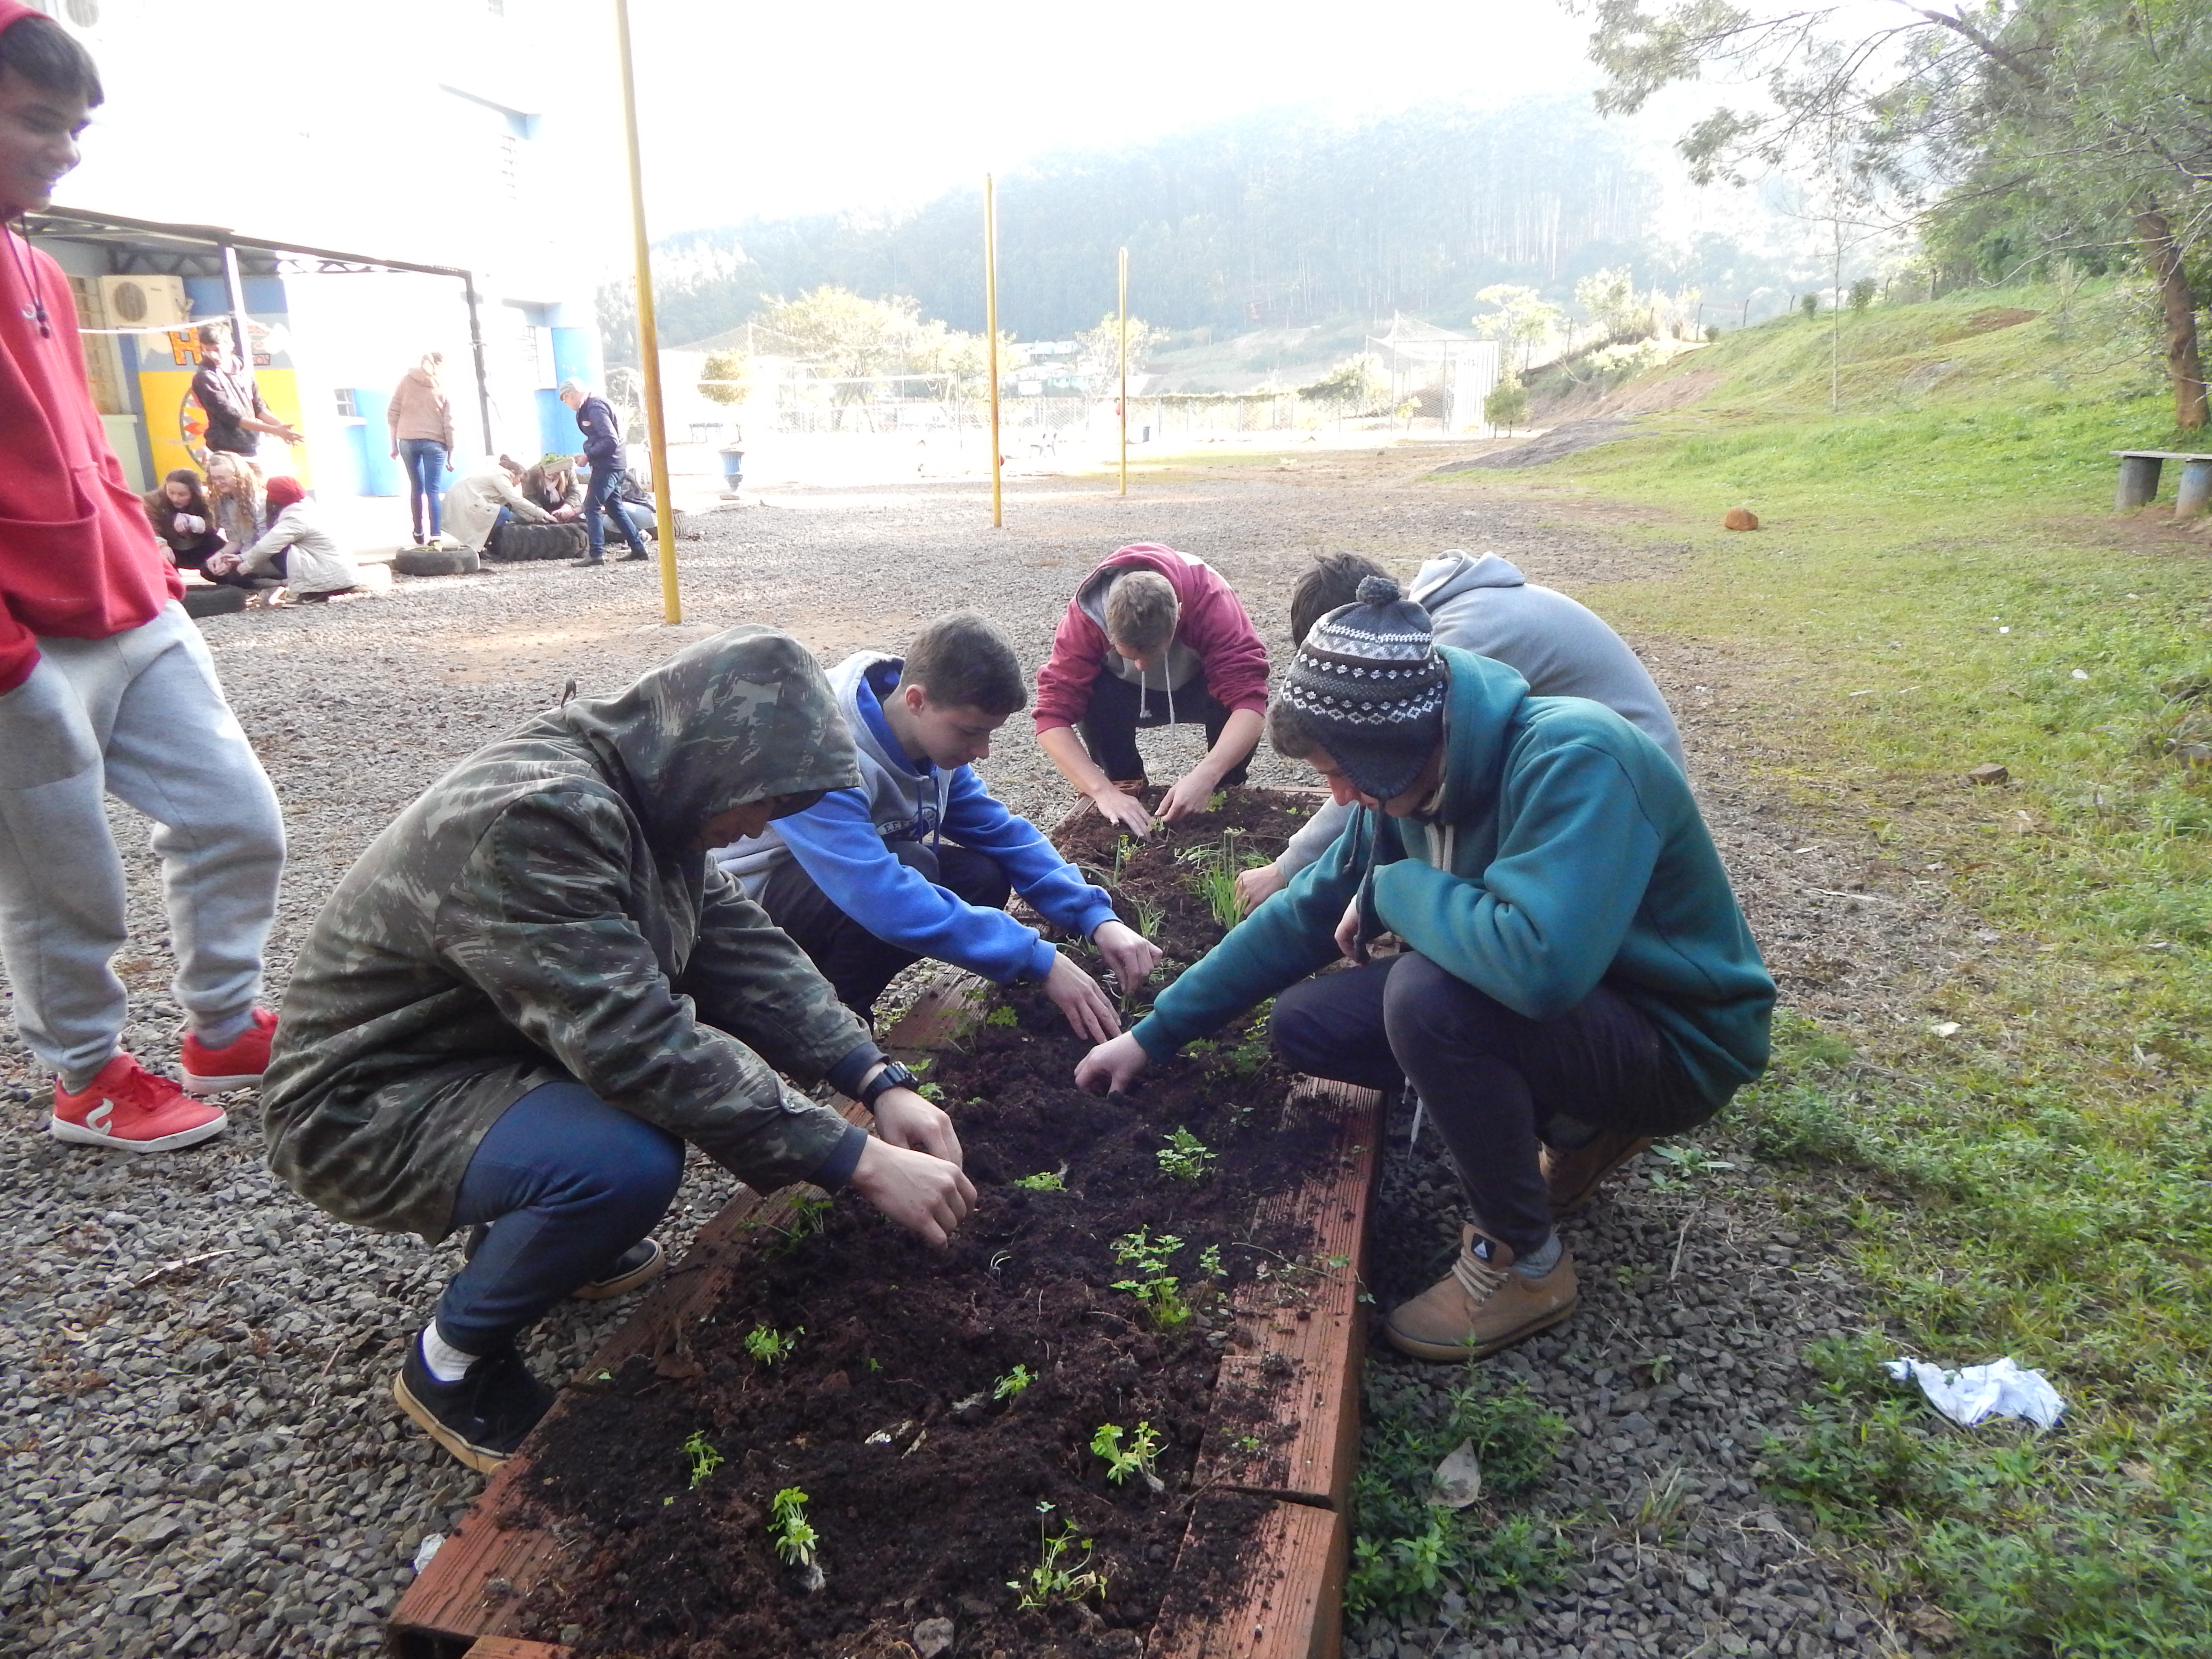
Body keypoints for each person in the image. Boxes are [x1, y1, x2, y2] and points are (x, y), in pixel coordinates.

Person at [261, 626, 976, 1472]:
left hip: (484, 1048)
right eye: (763, 803)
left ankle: (549, 1237)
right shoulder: (541, 818)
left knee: (620, 1150)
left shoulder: (651, 786)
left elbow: (740, 951)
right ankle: (453, 1363)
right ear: (720, 757)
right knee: (623, 1161)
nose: (757, 825)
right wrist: (853, 1158)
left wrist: (874, 1076)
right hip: (364, 1102)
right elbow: (637, 1044)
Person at [1074, 576, 1772, 1364]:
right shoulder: (1406, 785)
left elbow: (1537, 967)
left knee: (1428, 998)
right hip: (1587, 1011)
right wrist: (1154, 1035)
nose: (1338, 797)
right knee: (1308, 1024)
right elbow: (1301, 916)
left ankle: (1524, 1260)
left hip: (1673, 1037)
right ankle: (1580, 1123)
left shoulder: (1577, 757)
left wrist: (1396, 890)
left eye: (1341, 775)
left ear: (1397, 749)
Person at [0, 3, 286, 1150]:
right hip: (21, 637)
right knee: (63, 876)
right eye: (35, 121)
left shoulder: (39, 267)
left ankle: (222, 1021)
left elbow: (81, 442)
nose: (62, 150)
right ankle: (86, 1076)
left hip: (131, 601)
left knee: (237, 816)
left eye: (74, 128)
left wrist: (154, 574)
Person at [714, 612, 1164, 1036]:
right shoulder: (821, 750)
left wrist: (1095, 916)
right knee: (913, 865)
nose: (983, 750)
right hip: (745, 913)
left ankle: (840, 1002)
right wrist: (1037, 958)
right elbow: (878, 894)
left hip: (835, 887)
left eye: (990, 733)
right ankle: (823, 1020)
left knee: (980, 876)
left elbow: (1000, 831)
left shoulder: (927, 741)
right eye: (971, 732)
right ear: (916, 700)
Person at [1237, 550, 1688, 913]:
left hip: (1624, 782)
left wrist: (1287, 869)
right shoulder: (1441, 620)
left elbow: (1376, 769)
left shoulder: (1451, 648)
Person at [1033, 542, 1270, 835]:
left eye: (1152, 655)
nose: (1142, 667)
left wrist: (1206, 776)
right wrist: (1102, 791)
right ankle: (1125, 787)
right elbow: (1050, 717)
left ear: (1180, 614)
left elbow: (1251, 701)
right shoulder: (1087, 617)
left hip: (1199, 687)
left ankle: (1225, 790)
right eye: (1130, 656)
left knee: (1235, 692)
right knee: (1090, 691)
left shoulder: (1212, 601)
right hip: (1122, 697)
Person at [207, 475, 361, 602]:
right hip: (336, 570)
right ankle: (294, 586)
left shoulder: (295, 518)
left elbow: (267, 546)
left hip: (329, 575)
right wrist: (241, 557)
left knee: (278, 549)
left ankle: (310, 591)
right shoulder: (305, 508)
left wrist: (246, 564)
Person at [557, 377, 650, 565]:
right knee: (614, 508)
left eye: (566, 400)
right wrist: (588, 450)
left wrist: (588, 455)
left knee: (592, 506)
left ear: (570, 395)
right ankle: (638, 548)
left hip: (607, 466)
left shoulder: (595, 408)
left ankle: (596, 553)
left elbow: (610, 439)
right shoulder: (593, 406)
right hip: (616, 464)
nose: (567, 404)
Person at [190, 319, 301, 462]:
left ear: (230, 346)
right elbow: (231, 417)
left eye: (216, 349)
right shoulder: (205, 377)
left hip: (252, 447)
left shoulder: (242, 368)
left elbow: (259, 408)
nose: (212, 355)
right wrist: (275, 431)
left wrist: (284, 429)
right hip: (224, 452)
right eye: (207, 350)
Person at [387, 351, 454, 545]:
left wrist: (393, 445)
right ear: (441, 366)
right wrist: (452, 454)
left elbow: (393, 414)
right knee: (433, 491)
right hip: (435, 443)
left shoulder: (406, 381)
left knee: (416, 487)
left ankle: (418, 532)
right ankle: (436, 536)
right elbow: (450, 424)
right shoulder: (443, 387)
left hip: (407, 441)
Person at [441, 455, 555, 558]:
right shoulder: (501, 476)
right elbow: (516, 500)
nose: (518, 484)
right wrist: (542, 513)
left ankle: (479, 547)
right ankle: (483, 547)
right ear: (513, 472)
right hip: (467, 502)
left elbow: (514, 505)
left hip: (462, 501)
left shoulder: (493, 472)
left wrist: (535, 519)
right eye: (519, 480)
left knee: (501, 512)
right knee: (503, 513)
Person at [142, 467, 227, 575]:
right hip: (170, 547)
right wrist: (162, 545)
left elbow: (214, 524)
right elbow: (150, 527)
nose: (175, 499)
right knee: (151, 552)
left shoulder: (206, 499)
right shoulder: (152, 501)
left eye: (182, 495)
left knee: (219, 546)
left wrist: (191, 521)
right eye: (171, 492)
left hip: (199, 544)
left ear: (194, 493)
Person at [204, 450, 264, 552]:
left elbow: (265, 541)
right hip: (245, 554)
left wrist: (243, 561)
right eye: (214, 478)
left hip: (264, 557)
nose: (218, 483)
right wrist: (221, 556)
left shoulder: (259, 500)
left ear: (238, 476)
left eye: (222, 478)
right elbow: (235, 540)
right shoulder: (224, 501)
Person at [520, 452, 584, 520]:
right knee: (520, 517)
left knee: (578, 517)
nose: (551, 477)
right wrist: (540, 512)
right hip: (540, 506)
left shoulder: (568, 472)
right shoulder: (532, 474)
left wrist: (567, 507)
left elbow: (575, 493)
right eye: (549, 475)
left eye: (555, 474)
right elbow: (529, 497)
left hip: (563, 505)